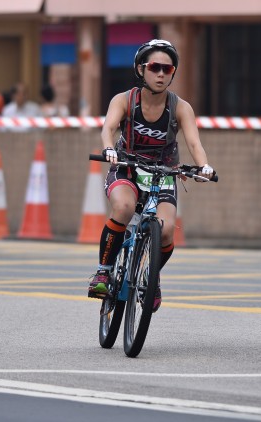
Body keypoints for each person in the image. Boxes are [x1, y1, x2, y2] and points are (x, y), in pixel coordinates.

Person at [87, 39, 214, 312]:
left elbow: (194, 144)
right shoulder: (124, 100)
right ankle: (103, 272)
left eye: (168, 69)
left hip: (163, 173)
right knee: (124, 207)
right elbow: (108, 128)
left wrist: (203, 166)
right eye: (155, 67)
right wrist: (108, 148)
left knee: (166, 231)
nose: (161, 74)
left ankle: (151, 275)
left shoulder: (180, 107)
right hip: (127, 167)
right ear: (141, 69)